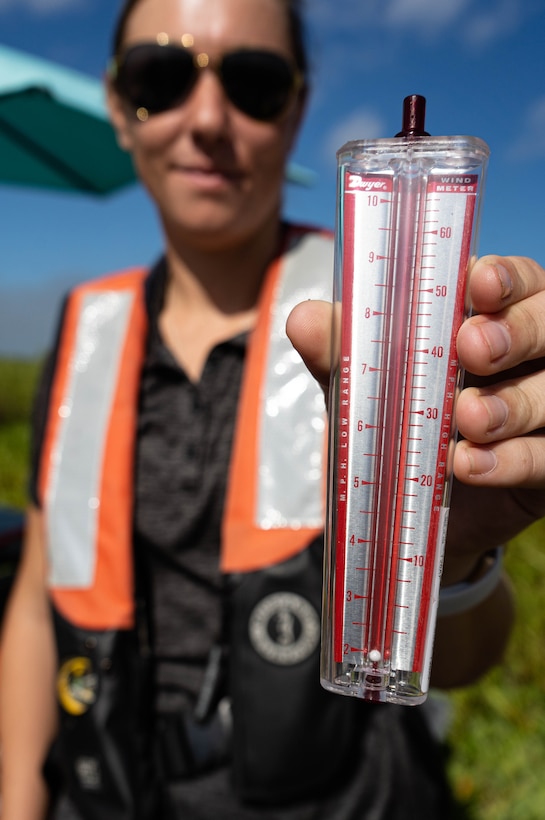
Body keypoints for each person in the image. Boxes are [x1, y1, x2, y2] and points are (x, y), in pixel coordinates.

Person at [1, 0, 545, 817]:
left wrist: (455, 552)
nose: (209, 118)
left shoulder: (394, 322)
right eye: (162, 78)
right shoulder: (84, 330)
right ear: (119, 108)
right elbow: (38, 601)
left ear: (297, 111)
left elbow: (465, 660)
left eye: (254, 84)